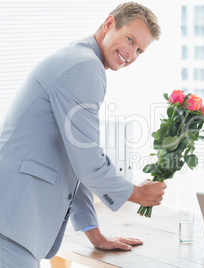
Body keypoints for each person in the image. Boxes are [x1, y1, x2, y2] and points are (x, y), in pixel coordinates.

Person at [0, 2, 167, 267]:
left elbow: (74, 161)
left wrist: (94, 233)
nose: (132, 54)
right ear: (109, 24)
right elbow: (88, 163)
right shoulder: (85, 67)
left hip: (14, 220)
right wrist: (136, 193)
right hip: (11, 220)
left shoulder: (80, 60)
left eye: (139, 50)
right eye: (130, 39)